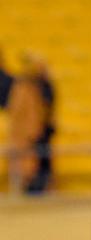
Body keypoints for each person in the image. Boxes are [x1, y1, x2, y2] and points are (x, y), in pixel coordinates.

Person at [7, 52, 55, 193]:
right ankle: (27, 187)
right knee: (26, 163)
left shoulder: (40, 87)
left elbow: (42, 110)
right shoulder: (23, 88)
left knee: (37, 162)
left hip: (37, 132)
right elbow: (19, 112)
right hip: (27, 134)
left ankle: (38, 187)